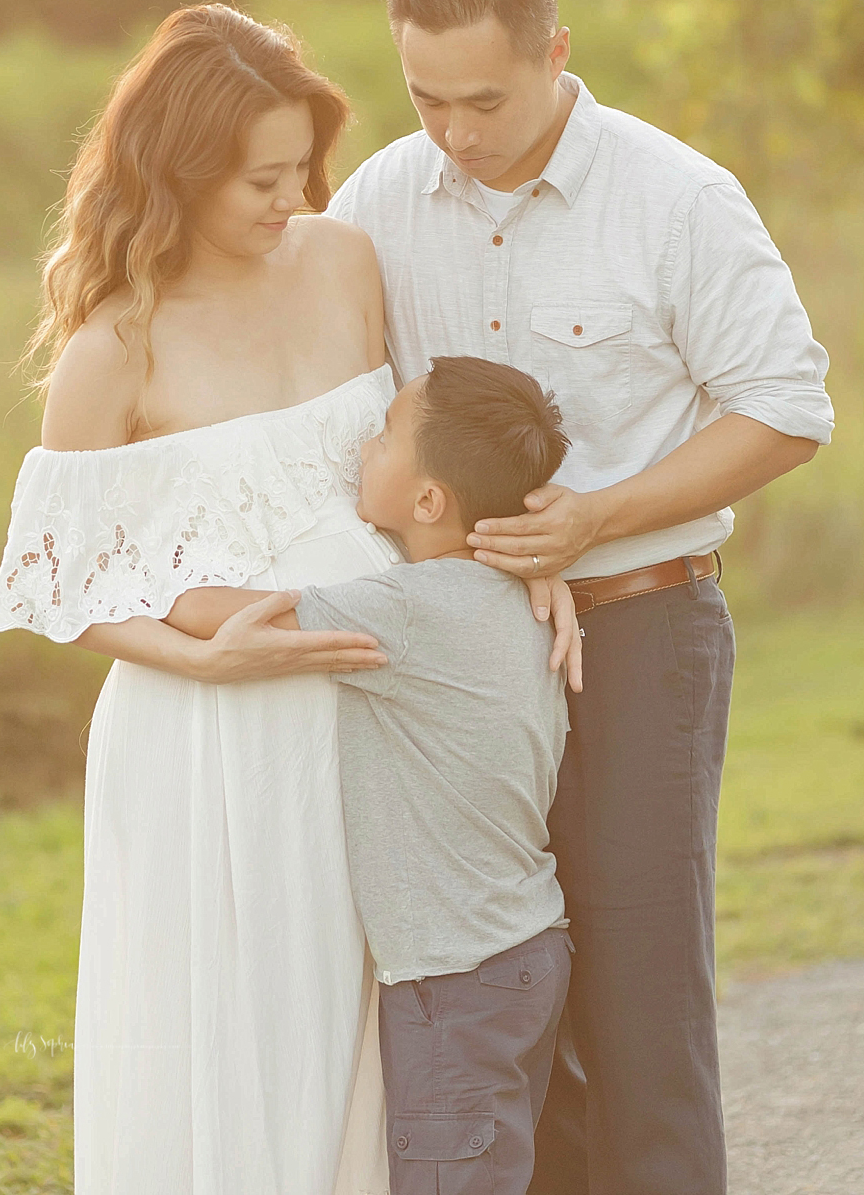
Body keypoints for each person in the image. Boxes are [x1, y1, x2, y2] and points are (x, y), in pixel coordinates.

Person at [0, 2, 580, 1195]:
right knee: (243, 1040)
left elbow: (433, 464)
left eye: (302, 169)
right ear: (179, 172)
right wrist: (194, 661)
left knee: (370, 1032)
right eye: (261, 179)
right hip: (210, 747)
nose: (292, 199)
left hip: (376, 727)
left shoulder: (344, 262)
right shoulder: (115, 348)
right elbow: (61, 587)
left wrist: (532, 549)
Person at [328, 0, 835, 1195]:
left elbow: (785, 409)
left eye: (485, 97)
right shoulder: (380, 200)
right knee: (509, 997)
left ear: (558, 49)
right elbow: (337, 409)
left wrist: (591, 519)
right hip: (457, 670)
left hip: (637, 631)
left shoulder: (678, 199)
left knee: (639, 1001)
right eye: (426, 98)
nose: (455, 131)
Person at [169, 355, 575, 1195]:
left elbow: (219, 615)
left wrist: (128, 577)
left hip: (455, 976)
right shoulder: (515, 597)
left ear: (430, 502)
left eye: (385, 432)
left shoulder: (408, 610)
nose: (364, 442)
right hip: (525, 947)